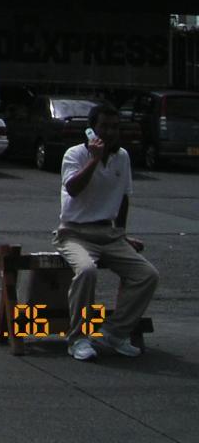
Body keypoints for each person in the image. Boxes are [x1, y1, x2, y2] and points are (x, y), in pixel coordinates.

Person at [54, 104, 159, 361]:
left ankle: (114, 332)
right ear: (91, 129)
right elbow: (74, 189)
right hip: (74, 233)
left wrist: (122, 234)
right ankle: (77, 338)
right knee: (87, 271)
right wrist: (94, 159)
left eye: (115, 127)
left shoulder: (122, 157)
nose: (110, 132)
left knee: (147, 275)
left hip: (109, 234)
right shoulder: (75, 154)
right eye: (104, 127)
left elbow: (123, 198)